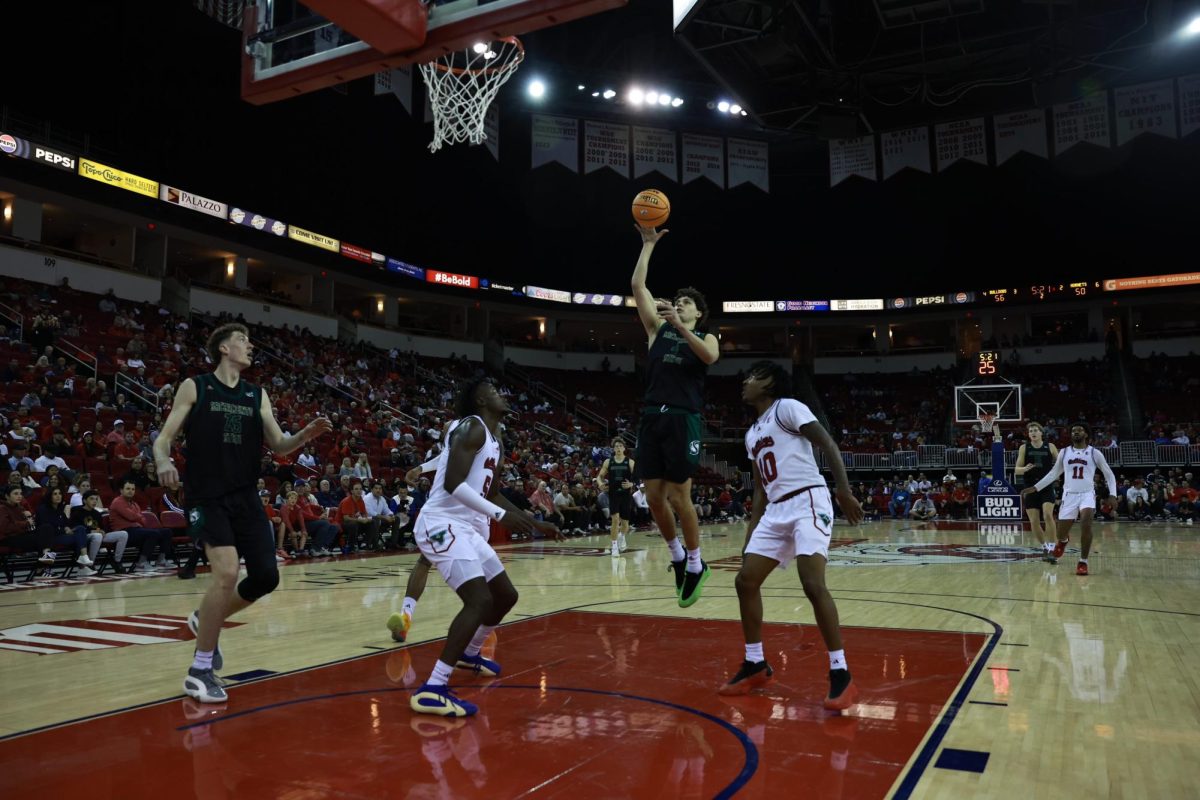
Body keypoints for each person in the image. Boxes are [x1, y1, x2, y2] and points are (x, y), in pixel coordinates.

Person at [155, 322, 332, 704]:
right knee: (227, 571)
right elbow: (164, 436)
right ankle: (200, 670)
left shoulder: (257, 395)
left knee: (267, 577)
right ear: (222, 348)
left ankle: (206, 619)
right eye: (242, 340)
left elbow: (281, 446)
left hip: (246, 497)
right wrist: (162, 459)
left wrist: (304, 435)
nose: (250, 346)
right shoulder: (196, 386)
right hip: (207, 496)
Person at [409, 379, 560, 717]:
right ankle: (433, 687)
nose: (501, 393)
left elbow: (491, 493)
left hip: (464, 527)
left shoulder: (496, 440)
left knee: (506, 596)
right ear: (480, 399)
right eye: (494, 390)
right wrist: (501, 516)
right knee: (479, 600)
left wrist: (534, 522)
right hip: (439, 523)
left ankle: (469, 652)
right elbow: (452, 484)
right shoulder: (471, 428)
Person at [720, 361, 864, 711]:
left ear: (769, 383)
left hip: (808, 500)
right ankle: (755, 663)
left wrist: (843, 490)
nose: (745, 381)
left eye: (752, 376)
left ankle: (841, 673)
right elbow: (759, 489)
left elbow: (827, 442)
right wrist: (751, 533)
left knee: (812, 583)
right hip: (776, 510)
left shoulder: (787, 407)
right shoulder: (752, 432)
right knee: (745, 581)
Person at [630, 224, 719, 606]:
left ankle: (698, 563)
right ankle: (678, 557)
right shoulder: (657, 330)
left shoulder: (707, 336)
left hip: (684, 419)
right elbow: (638, 287)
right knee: (652, 498)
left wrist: (681, 326)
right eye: (677, 300)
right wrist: (648, 246)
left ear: (699, 313)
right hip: (653, 416)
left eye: (686, 302)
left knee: (681, 497)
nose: (679, 303)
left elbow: (709, 357)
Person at [1022, 424, 1117, 576]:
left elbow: (1109, 474)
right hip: (1069, 495)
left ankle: (1083, 562)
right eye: (1073, 430)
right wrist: (1035, 487)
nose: (1076, 432)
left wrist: (1113, 494)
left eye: (1079, 430)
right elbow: (1054, 474)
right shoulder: (1064, 452)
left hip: (1087, 494)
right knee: (1061, 533)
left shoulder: (1094, 452)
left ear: (1086, 434)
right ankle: (1063, 541)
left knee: (1086, 523)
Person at [1015, 421, 1060, 562]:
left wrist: (1058, 477)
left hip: (1046, 486)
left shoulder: (1050, 447)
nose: (1033, 433)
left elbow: (1061, 465)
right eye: (1030, 431)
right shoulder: (1024, 448)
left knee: (1047, 515)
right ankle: (1044, 547)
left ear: (1041, 433)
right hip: (1030, 487)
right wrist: (1024, 469)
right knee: (1034, 521)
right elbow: (1017, 469)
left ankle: (1053, 548)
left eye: (1035, 430)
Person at [596, 438, 635, 557]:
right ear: (613, 449)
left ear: (624, 448)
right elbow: (599, 477)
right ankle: (614, 547)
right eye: (616, 446)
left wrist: (632, 484)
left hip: (625, 495)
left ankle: (622, 536)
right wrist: (600, 484)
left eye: (620, 446)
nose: (618, 448)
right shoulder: (608, 461)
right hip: (613, 494)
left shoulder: (630, 462)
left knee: (625, 524)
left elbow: (638, 478)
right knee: (615, 520)